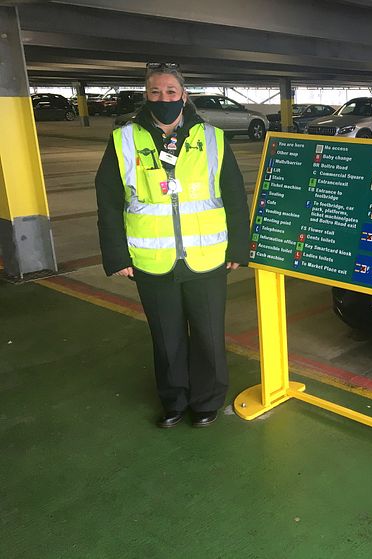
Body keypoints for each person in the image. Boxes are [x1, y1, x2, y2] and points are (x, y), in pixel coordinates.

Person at [95, 63, 250, 428]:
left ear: (184, 94)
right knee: (167, 337)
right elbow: (108, 201)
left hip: (207, 256)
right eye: (154, 92)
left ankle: (207, 400)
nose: (162, 98)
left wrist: (238, 248)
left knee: (209, 335)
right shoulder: (125, 139)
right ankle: (174, 400)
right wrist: (117, 254)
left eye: (169, 91)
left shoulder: (212, 137)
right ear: (145, 96)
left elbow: (234, 196)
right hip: (152, 259)